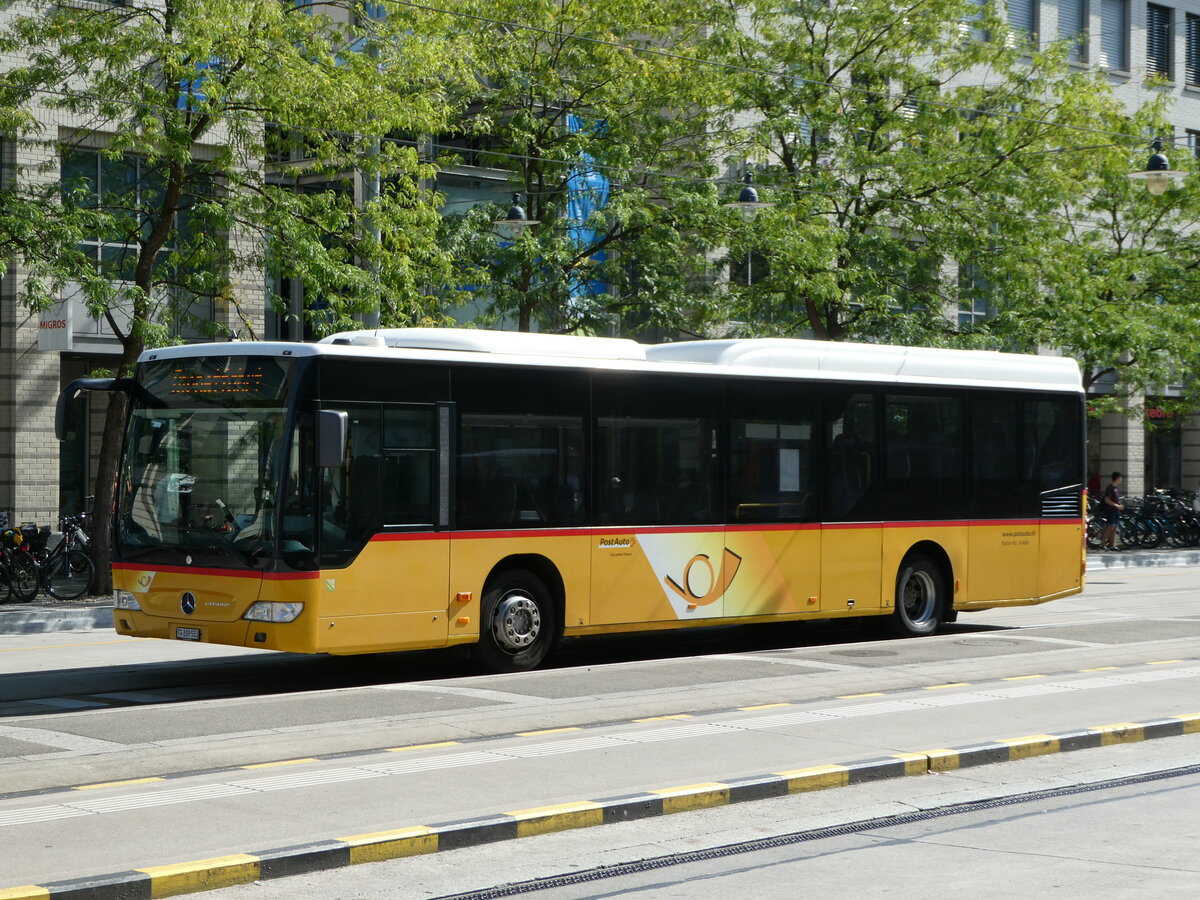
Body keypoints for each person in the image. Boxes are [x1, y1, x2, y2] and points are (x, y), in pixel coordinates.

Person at [1101, 471, 1125, 551]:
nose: (1121, 480)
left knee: (1114, 528)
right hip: (1110, 510)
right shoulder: (1110, 488)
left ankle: (1112, 545)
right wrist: (1116, 506)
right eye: (1121, 478)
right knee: (1110, 526)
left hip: (1116, 511)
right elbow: (1106, 500)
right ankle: (1102, 544)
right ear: (1117, 478)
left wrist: (1119, 505)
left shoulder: (1116, 488)